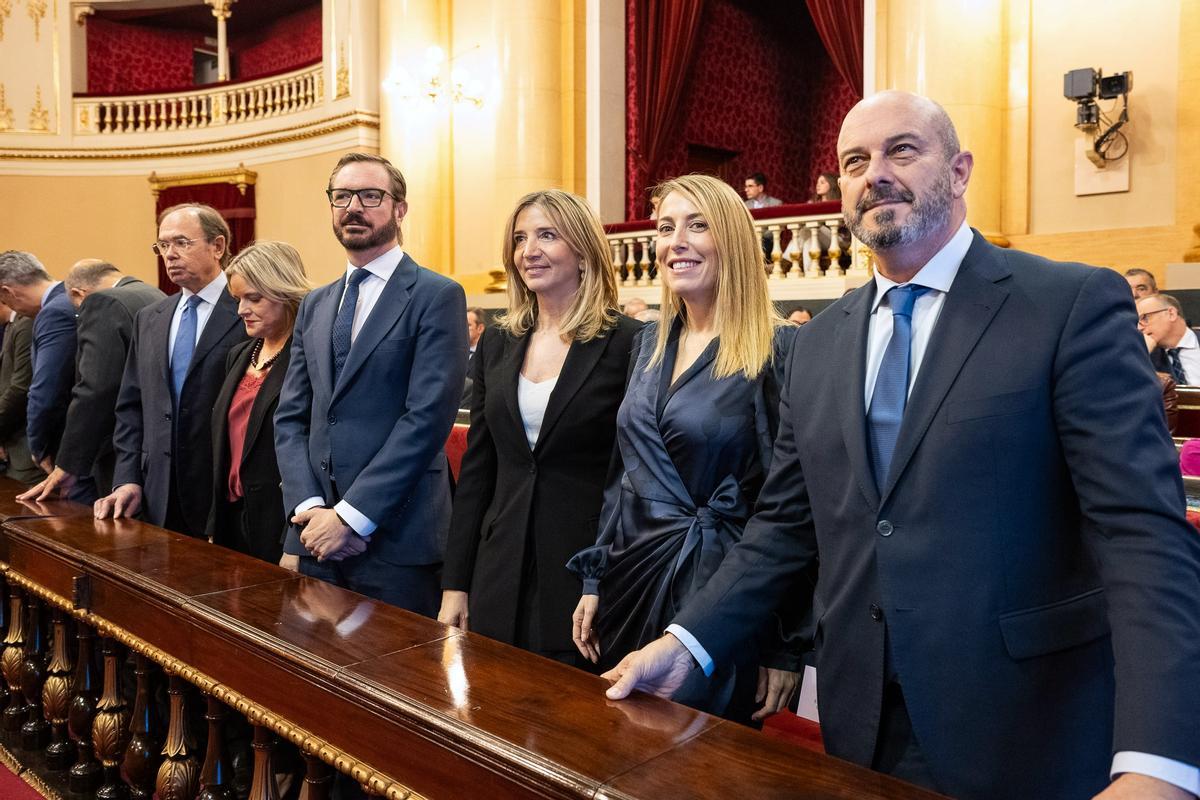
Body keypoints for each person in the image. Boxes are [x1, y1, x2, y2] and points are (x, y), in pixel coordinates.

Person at [601, 92, 1200, 800]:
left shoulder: (1066, 305)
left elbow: (1140, 534)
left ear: (960, 169)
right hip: (862, 722)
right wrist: (686, 643)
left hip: (1028, 723)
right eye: (855, 161)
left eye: (902, 150)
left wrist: (1159, 761)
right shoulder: (818, 344)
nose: (875, 173)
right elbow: (783, 528)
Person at [568, 174, 802, 723]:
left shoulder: (779, 349)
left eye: (699, 225)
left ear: (734, 242)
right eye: (666, 226)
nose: (678, 240)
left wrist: (784, 643)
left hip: (716, 595)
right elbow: (622, 475)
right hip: (629, 577)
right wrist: (595, 576)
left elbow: (789, 506)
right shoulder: (647, 340)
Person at [439, 190, 639, 662]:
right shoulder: (499, 342)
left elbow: (631, 475)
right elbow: (478, 471)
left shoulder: (629, 342)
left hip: (583, 573)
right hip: (498, 568)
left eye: (547, 235)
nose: (529, 250)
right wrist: (456, 584)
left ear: (584, 250)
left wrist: (604, 573)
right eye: (520, 238)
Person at [274, 152, 467, 615]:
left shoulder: (435, 295)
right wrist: (310, 508)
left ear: (399, 209)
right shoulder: (317, 304)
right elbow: (291, 417)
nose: (353, 207)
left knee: (395, 682)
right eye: (341, 196)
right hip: (315, 536)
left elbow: (426, 419)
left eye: (370, 195)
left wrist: (351, 517)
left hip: (397, 538)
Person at [94, 203, 247, 537]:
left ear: (217, 246)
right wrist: (127, 478)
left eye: (182, 243)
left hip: (224, 497)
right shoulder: (150, 317)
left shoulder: (246, 310)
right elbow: (131, 407)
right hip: (156, 493)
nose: (170, 254)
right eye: (163, 245)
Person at [21, 260, 164, 502]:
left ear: (77, 294)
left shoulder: (101, 303)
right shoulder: (154, 294)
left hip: (115, 451)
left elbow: (94, 389)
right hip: (155, 445)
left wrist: (68, 463)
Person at [206, 242, 311, 563]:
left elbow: (311, 449)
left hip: (283, 523)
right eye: (238, 299)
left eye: (254, 298)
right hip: (233, 517)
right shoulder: (239, 354)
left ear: (285, 292)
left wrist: (295, 538)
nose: (241, 310)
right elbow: (225, 445)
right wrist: (216, 520)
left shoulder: (307, 356)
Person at [0, 251, 77, 479]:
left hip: (61, 446)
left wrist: (38, 446)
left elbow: (44, 389)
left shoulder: (52, 312)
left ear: (7, 292)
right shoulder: (70, 298)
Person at [0, 302, 40, 486]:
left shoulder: (26, 324)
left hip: (27, 450)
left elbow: (21, 389)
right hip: (13, 445)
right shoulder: (11, 326)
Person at [1137, 292, 1199, 384]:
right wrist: (1142, 355)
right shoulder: (1145, 355)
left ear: (1171, 313)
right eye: (1136, 322)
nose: (1139, 328)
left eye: (1144, 318)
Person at [460, 307, 486, 409]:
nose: (463, 329)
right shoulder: (454, 353)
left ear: (480, 328)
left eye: (468, 325)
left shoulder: (487, 355)